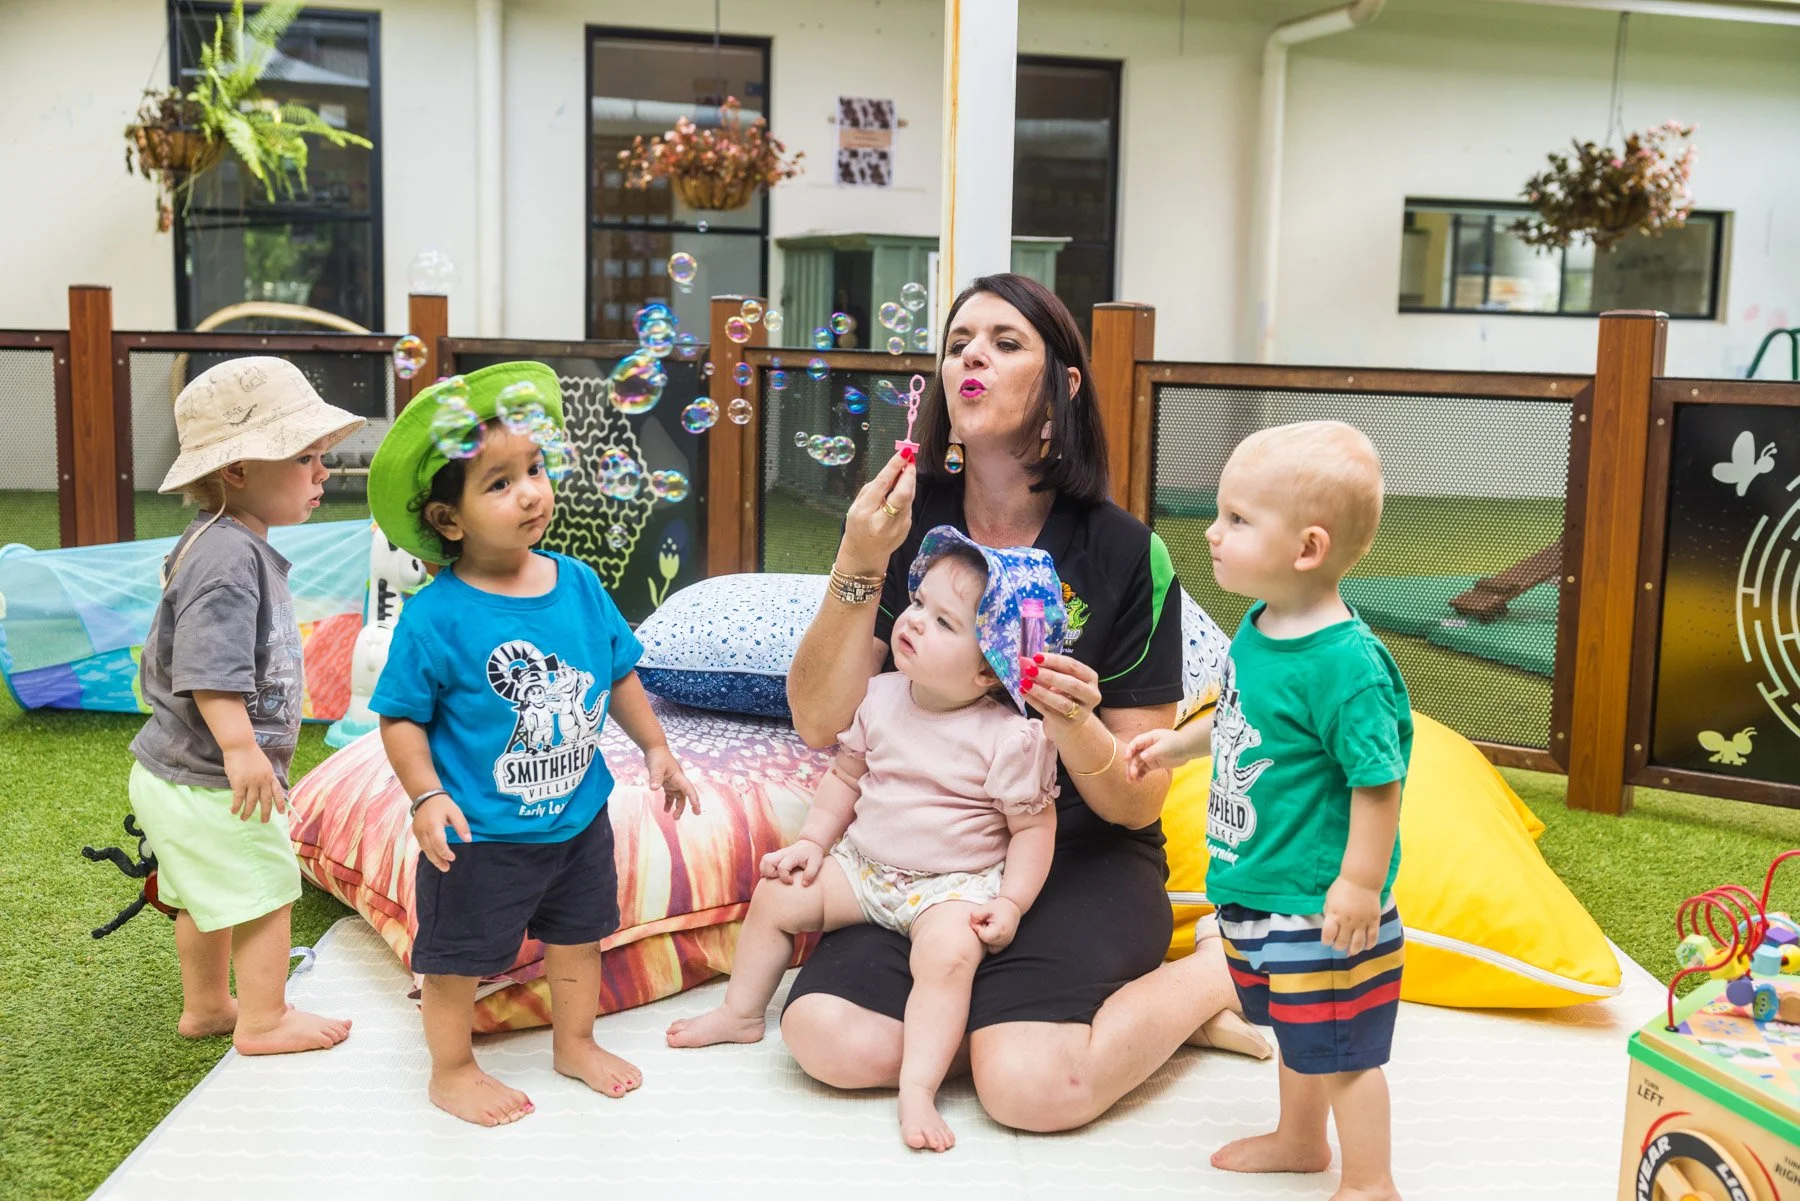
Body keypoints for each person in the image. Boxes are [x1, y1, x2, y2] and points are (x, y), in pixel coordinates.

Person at [781, 272, 1270, 1136]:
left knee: (1030, 1088)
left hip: (1081, 856)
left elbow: (1136, 798)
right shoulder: (902, 522)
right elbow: (821, 721)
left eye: (1007, 342)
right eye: (960, 340)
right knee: (826, 1037)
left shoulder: (1122, 551)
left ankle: (1210, 975)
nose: (972, 353)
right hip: (925, 860)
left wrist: (1073, 723)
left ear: (1062, 386)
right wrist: (858, 557)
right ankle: (995, 1005)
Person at [366, 364, 698, 1128]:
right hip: (478, 837)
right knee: (456, 959)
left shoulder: (577, 583)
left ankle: (573, 1042)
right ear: (448, 521)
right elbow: (400, 717)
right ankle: (450, 1068)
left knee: (579, 940)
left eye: (536, 469)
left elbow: (616, 674)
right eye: (499, 483)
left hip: (578, 822)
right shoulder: (436, 616)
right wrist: (426, 794)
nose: (531, 492)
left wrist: (656, 748)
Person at [669, 530, 1062, 1152]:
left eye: (943, 622)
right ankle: (741, 1013)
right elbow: (846, 778)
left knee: (946, 961)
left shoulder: (1010, 738)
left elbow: (1034, 828)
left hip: (952, 888)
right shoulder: (880, 695)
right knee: (778, 897)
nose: (913, 622)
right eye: (918, 605)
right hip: (866, 867)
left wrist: (1010, 902)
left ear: (989, 666)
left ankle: (917, 1087)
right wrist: (815, 847)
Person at [1127, 421, 1411, 1201]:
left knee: (1345, 1049)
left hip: (1319, 903)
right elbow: (1238, 721)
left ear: (1308, 548)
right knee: (1296, 1025)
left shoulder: (1346, 665)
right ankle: (1298, 1138)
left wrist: (1358, 884)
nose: (1212, 533)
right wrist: (1177, 748)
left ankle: (1370, 1180)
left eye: (1238, 519)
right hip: (1255, 886)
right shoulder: (1259, 626)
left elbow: (1378, 780)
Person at [129, 356, 360, 1055]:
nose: (324, 472)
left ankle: (206, 1006)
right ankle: (264, 1019)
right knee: (265, 885)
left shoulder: (224, 541)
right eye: (304, 457)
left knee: (201, 891)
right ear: (237, 469)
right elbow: (209, 668)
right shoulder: (230, 558)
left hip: (173, 772)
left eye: (322, 457)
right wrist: (239, 747)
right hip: (211, 774)